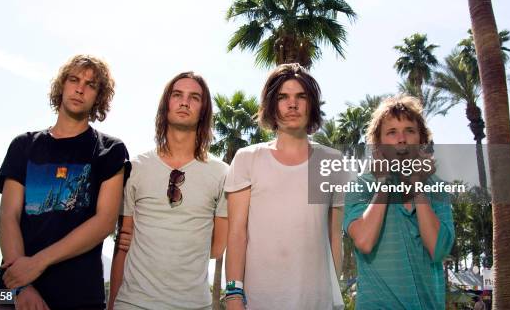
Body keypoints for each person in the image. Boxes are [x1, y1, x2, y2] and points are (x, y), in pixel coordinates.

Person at [0, 54, 129, 310]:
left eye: (91, 85)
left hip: (79, 295)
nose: (80, 88)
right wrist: (22, 285)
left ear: (99, 96)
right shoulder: (23, 145)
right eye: (74, 79)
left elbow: (104, 223)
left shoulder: (110, 150)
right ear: (62, 85)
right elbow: (7, 216)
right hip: (17, 293)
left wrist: (38, 262)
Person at [224, 63, 344, 310]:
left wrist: (332, 298)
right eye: (283, 97)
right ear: (271, 104)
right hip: (259, 301)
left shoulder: (331, 161)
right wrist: (234, 296)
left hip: (316, 302)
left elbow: (334, 235)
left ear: (311, 105)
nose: (292, 105)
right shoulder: (248, 158)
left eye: (301, 97)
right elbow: (237, 233)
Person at [109, 72, 228, 310]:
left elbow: (216, 248)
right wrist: (112, 304)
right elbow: (123, 245)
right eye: (177, 95)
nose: (185, 102)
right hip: (132, 303)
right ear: (166, 105)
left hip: (193, 304)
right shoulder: (136, 167)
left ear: (204, 110)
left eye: (194, 97)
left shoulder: (222, 173)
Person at [343, 95, 455, 309]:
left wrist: (417, 186)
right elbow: (364, 241)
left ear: (421, 139)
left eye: (409, 131)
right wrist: (384, 183)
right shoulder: (361, 186)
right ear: (379, 144)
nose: (401, 139)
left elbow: (438, 250)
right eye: (392, 132)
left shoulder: (437, 188)